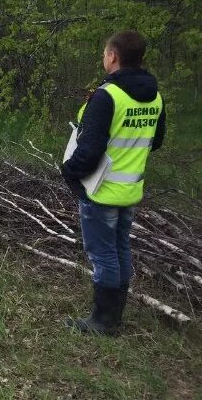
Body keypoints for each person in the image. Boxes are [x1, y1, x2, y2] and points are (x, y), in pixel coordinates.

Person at [61, 30, 166, 335]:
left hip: (101, 190)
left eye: (105, 53)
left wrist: (70, 171)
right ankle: (114, 314)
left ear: (113, 56)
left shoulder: (108, 95)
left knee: (103, 254)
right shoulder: (155, 97)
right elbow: (155, 140)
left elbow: (90, 150)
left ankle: (103, 321)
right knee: (120, 249)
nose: (103, 58)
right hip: (130, 188)